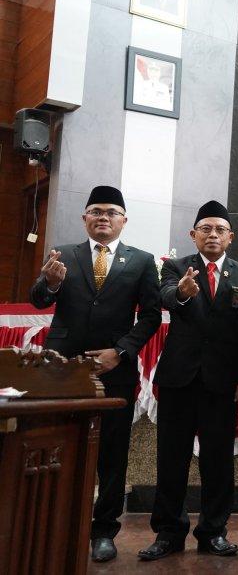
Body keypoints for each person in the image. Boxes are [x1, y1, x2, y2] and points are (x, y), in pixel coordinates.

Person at [30, 185, 161, 563]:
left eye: (111, 212)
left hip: (114, 371)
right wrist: (50, 283)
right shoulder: (63, 254)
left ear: (123, 220)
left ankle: (103, 531)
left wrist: (119, 352)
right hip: (62, 368)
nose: (103, 217)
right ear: (84, 217)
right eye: (96, 211)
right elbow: (40, 299)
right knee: (58, 443)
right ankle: (55, 522)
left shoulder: (141, 261)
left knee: (112, 452)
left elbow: (151, 315)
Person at [138, 200, 238, 561]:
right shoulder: (175, 267)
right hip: (180, 378)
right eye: (206, 229)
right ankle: (168, 533)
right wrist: (183, 293)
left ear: (230, 237)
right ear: (193, 234)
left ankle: (213, 532)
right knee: (171, 457)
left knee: (218, 460)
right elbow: (167, 297)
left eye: (220, 230)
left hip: (223, 381)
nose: (213, 235)